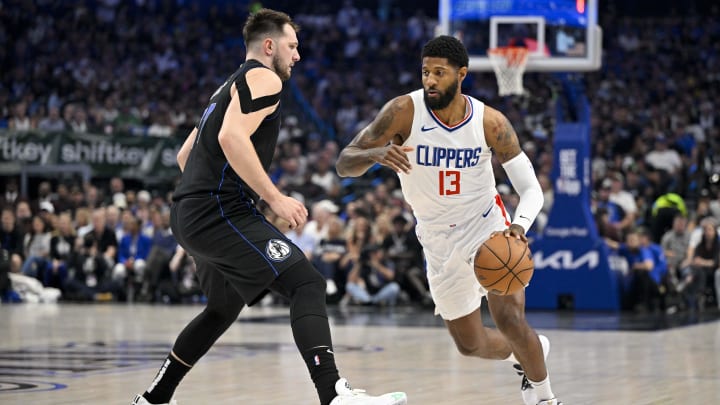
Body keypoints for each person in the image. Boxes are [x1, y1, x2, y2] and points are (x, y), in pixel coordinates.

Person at [131, 9, 406, 405]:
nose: (297, 56)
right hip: (219, 211)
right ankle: (334, 394)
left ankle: (155, 398)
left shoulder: (223, 88)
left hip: (189, 212)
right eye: (293, 46)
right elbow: (231, 137)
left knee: (221, 309)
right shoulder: (264, 77)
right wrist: (274, 198)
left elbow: (184, 155)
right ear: (270, 45)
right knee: (307, 283)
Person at [336, 35, 561, 405]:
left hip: (486, 227)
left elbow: (531, 189)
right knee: (469, 345)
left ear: (461, 75)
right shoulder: (402, 111)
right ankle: (531, 350)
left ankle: (546, 398)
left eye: (439, 73)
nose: (430, 80)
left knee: (509, 319)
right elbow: (345, 162)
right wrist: (376, 153)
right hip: (436, 238)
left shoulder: (491, 122)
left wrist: (518, 227)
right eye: (425, 72)